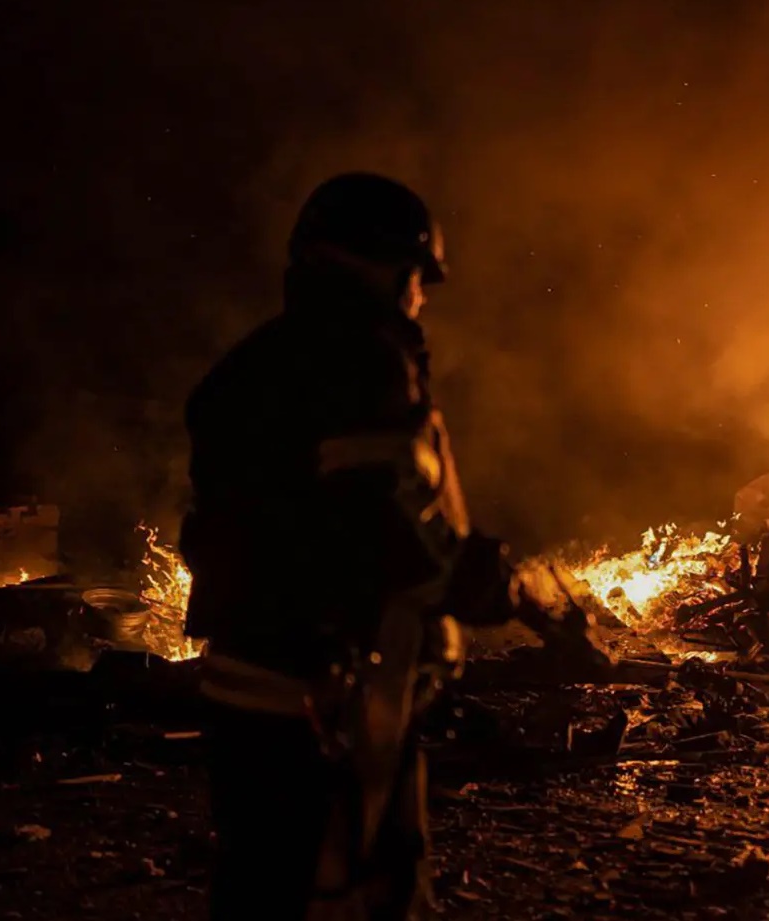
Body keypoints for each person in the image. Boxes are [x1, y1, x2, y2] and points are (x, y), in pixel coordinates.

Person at [178, 172, 608, 920]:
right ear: (379, 262)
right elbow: (385, 528)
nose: (421, 295)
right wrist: (507, 593)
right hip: (333, 693)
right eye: (417, 275)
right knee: (358, 886)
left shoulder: (252, 364)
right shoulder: (361, 358)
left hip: (247, 682)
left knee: (262, 883)